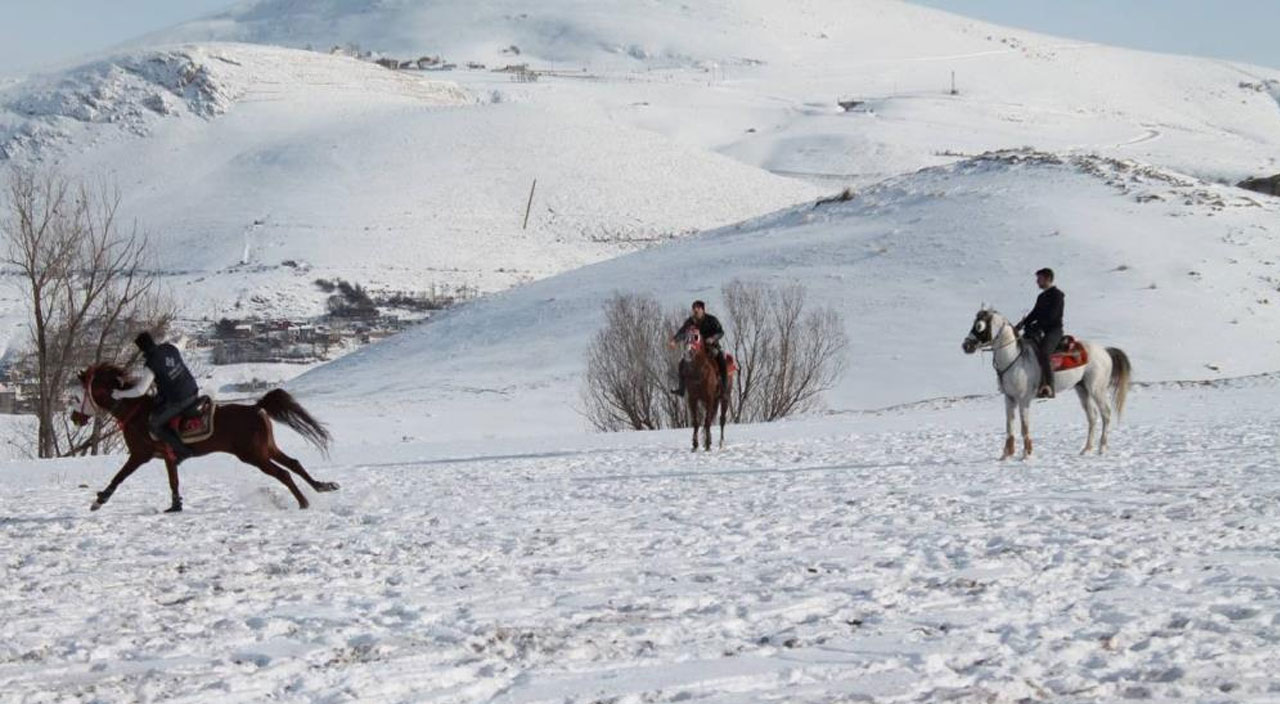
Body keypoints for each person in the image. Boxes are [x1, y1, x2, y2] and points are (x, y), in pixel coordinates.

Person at [114, 331, 200, 461]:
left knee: (154, 424)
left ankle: (183, 451)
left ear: (141, 349)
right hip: (193, 389)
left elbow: (140, 391)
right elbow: (180, 345)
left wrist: (120, 394)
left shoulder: (151, 364)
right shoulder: (169, 347)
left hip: (181, 399)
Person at [1014, 268, 1065, 399]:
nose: (1037, 281)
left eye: (1039, 278)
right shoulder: (1041, 297)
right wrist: (1020, 325)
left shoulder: (1057, 295)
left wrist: (1037, 326)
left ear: (1048, 278)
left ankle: (1049, 387)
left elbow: (1053, 316)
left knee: (1044, 353)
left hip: (1054, 331)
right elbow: (1034, 313)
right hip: (1040, 330)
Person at [670, 300, 727, 396]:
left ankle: (724, 389)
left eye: (697, 309)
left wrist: (713, 338)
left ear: (702, 310)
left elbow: (720, 332)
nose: (695, 311)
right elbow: (682, 332)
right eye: (694, 309)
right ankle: (681, 388)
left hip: (711, 347)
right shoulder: (690, 321)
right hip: (694, 348)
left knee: (721, 359)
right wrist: (675, 340)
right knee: (682, 363)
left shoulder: (712, 320)